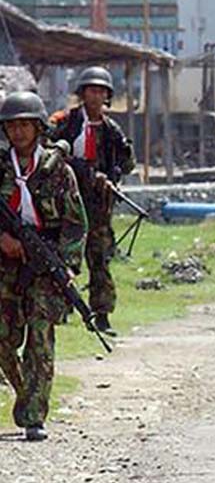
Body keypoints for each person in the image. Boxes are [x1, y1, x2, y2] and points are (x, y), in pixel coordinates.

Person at [0, 92, 87, 441]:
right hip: (4, 263)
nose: (19, 132)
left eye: (25, 125)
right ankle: (25, 390)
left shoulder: (57, 170)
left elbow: (76, 223)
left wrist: (65, 265)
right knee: (3, 339)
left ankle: (34, 414)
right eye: (12, 126)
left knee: (40, 336)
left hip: (45, 259)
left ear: (38, 128)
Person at [49, 66, 135, 337]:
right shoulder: (67, 122)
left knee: (100, 259)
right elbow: (48, 150)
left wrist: (111, 177)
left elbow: (126, 162)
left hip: (98, 205)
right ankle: (61, 307)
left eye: (100, 91)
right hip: (67, 202)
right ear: (82, 93)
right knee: (63, 256)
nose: (95, 96)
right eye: (91, 90)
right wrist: (82, 170)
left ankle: (102, 314)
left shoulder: (111, 129)